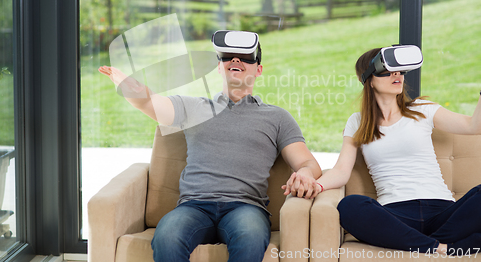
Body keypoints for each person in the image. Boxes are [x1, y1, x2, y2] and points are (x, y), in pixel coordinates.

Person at [99, 30, 322, 262]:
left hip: (245, 208)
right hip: (194, 206)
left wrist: (305, 173)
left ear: (259, 69)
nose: (235, 60)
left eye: (245, 58)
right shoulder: (193, 107)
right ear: (219, 67)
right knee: (168, 235)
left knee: (250, 237)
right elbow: (150, 102)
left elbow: (307, 162)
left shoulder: (277, 117)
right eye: (228, 56)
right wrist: (128, 86)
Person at [288, 46, 481, 256]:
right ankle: (441, 248)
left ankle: (423, 244)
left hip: (444, 213)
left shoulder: (423, 109)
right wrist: (315, 185)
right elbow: (342, 171)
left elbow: (474, 126)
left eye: (399, 70)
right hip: (395, 216)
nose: (397, 75)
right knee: (350, 205)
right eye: (387, 71)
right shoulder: (357, 122)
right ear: (369, 79)